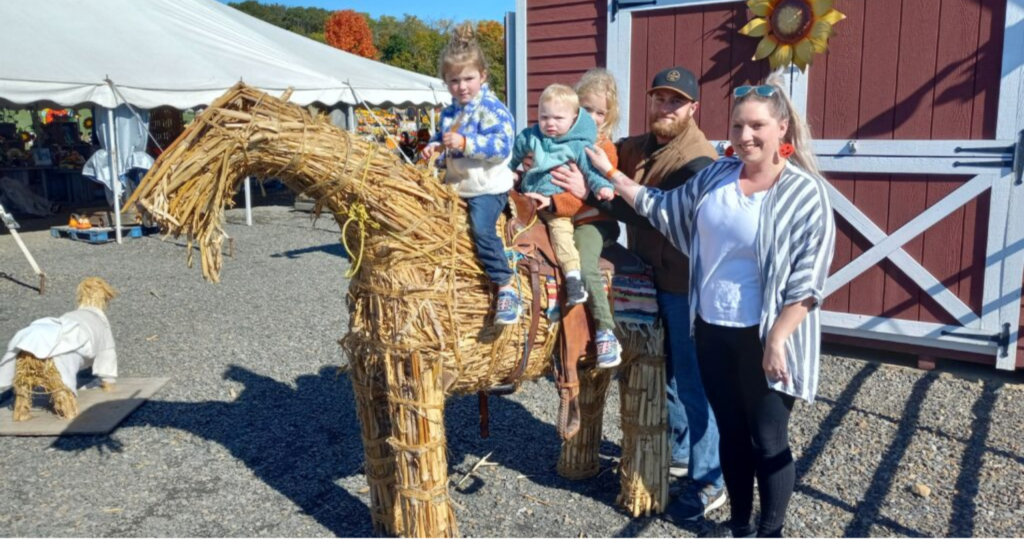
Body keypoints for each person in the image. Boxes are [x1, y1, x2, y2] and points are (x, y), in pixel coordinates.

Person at [587, 79, 836, 538]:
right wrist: (613, 176)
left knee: (768, 440)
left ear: (781, 126)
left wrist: (778, 338)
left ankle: (771, 530)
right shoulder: (717, 176)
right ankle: (740, 526)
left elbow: (809, 278)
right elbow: (662, 208)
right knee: (733, 436)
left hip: (766, 337)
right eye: (739, 125)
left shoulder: (806, 192)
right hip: (713, 328)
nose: (746, 136)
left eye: (757, 125)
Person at [552, 66, 725, 517]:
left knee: (692, 382)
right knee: (663, 376)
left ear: (693, 108)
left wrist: (587, 198)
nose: (665, 108)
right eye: (659, 99)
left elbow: (653, 217)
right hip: (652, 275)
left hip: (684, 285)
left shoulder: (696, 160)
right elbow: (601, 147)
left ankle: (710, 481)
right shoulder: (644, 144)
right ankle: (683, 453)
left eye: (675, 102)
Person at [421, 23, 518, 324]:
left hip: (487, 187)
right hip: (458, 186)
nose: (462, 86)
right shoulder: (450, 112)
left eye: (468, 78)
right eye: (454, 81)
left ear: (483, 76)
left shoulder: (491, 108)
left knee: (481, 228)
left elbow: (502, 146)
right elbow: (449, 149)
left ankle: (506, 285)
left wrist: (466, 142)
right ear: (445, 82)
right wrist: (435, 151)